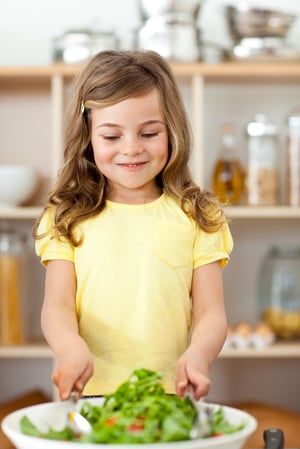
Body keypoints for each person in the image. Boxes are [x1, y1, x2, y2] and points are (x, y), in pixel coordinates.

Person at [34, 49, 233, 402]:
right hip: (90, 398)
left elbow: (210, 312)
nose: (131, 149)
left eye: (149, 133)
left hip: (171, 395)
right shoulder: (65, 216)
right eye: (112, 137)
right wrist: (69, 348)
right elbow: (57, 305)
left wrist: (199, 354)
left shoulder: (198, 215)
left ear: (172, 130)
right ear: (88, 137)